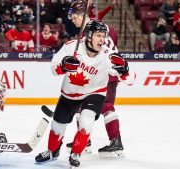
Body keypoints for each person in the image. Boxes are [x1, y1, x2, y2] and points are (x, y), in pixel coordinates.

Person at [35, 20, 134, 167]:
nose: (102, 39)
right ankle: (52, 151)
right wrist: (63, 66)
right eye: (98, 35)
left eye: (104, 36)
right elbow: (53, 68)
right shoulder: (71, 47)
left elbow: (130, 80)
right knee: (57, 126)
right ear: (88, 36)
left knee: (86, 120)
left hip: (94, 94)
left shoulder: (108, 55)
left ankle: (76, 154)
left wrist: (125, 71)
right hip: (69, 94)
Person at [65, 0, 124, 157]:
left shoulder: (87, 34)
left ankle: (116, 142)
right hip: (105, 73)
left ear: (82, 15)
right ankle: (85, 141)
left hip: (104, 74)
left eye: (74, 16)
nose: (72, 20)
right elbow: (114, 41)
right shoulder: (106, 28)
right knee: (80, 106)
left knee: (106, 106)